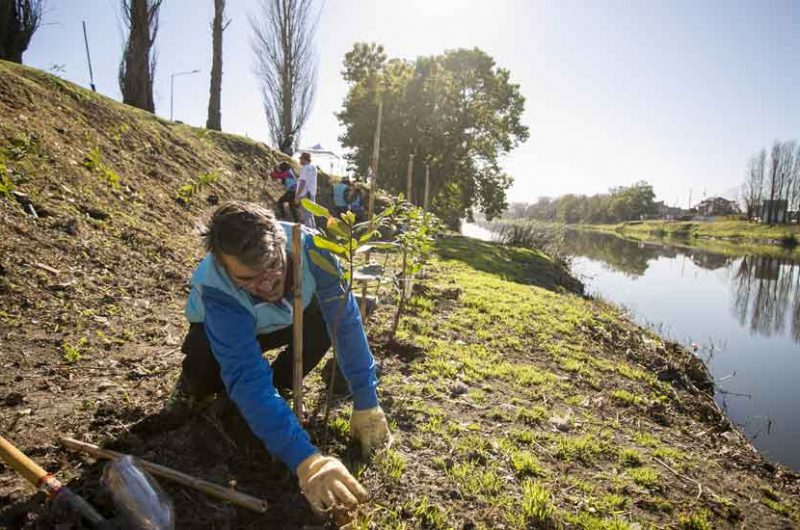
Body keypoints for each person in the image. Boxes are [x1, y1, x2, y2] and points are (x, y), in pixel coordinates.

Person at [171, 201, 392, 514]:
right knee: (207, 361)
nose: (267, 285)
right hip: (224, 330)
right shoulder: (217, 289)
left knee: (322, 324)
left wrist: (366, 399)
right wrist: (306, 459)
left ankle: (282, 386)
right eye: (247, 279)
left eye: (273, 267)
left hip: (288, 317)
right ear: (224, 267)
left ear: (280, 240)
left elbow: (345, 322)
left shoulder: (314, 249)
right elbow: (247, 379)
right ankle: (191, 388)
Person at [295, 152, 318, 228]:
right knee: (310, 215)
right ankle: (314, 233)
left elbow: (303, 182)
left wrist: (297, 196)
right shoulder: (313, 168)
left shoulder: (304, 168)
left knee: (305, 216)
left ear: (304, 159)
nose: (300, 161)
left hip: (305, 193)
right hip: (312, 194)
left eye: (301, 159)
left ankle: (309, 235)